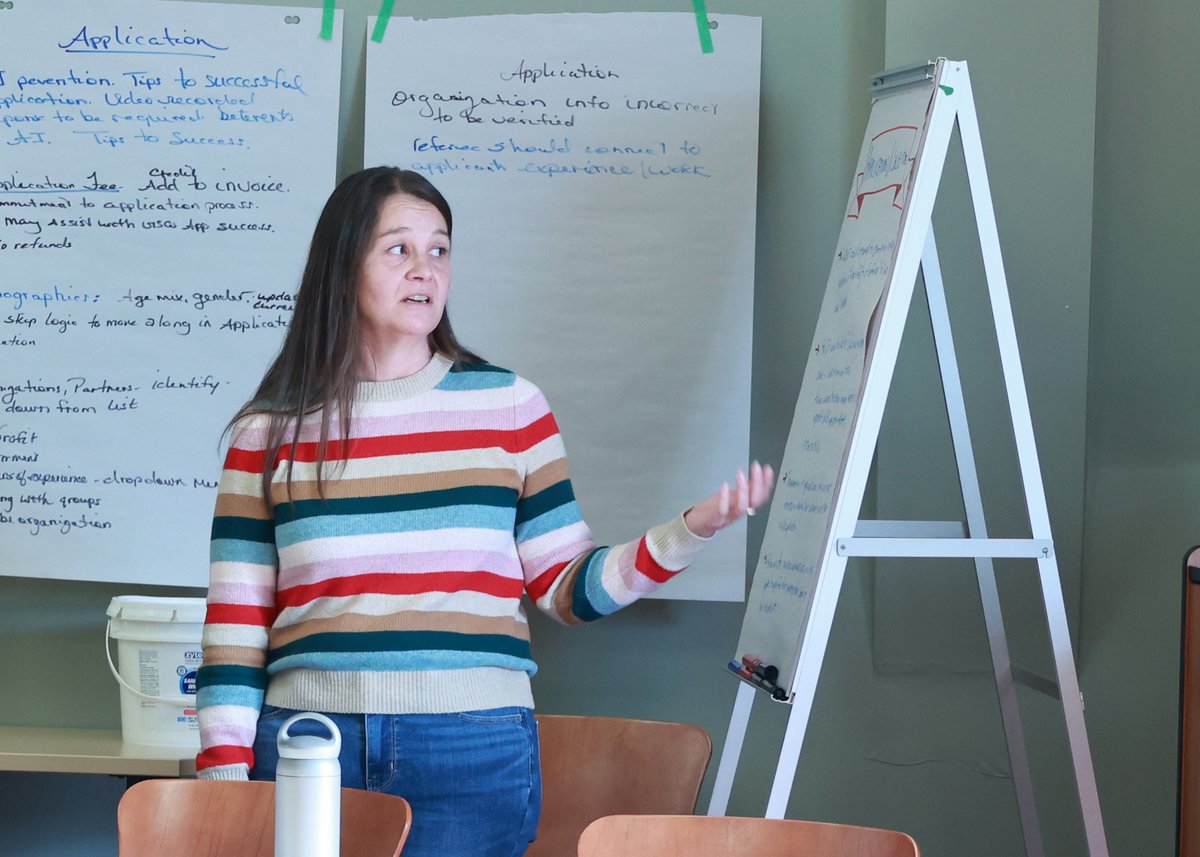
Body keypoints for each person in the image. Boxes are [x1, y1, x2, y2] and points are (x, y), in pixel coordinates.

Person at [195, 166, 774, 857]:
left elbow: (567, 590)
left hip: (471, 745)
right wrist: (223, 783)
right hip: (312, 745)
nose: (424, 270)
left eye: (439, 249)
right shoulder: (269, 433)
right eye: (398, 249)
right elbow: (234, 631)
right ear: (342, 265)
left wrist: (688, 531)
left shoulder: (509, 407)